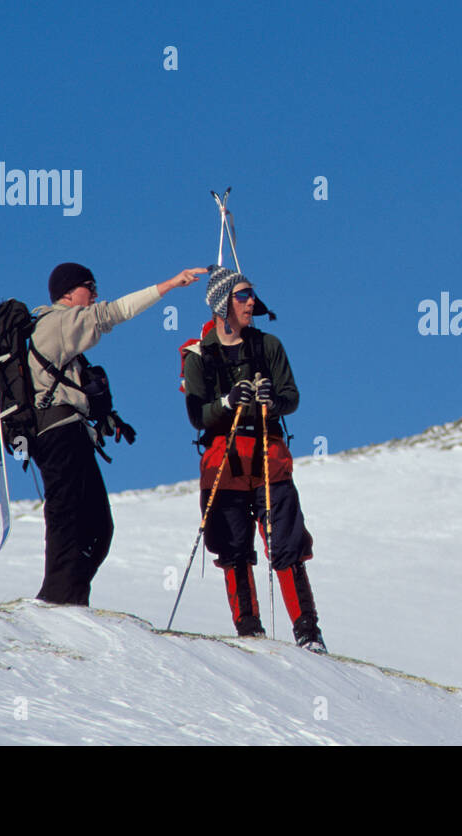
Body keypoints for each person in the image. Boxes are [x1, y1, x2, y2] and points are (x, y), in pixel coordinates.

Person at [29, 262, 208, 605]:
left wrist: (104, 416)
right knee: (71, 518)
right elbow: (116, 312)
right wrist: (169, 283)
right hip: (59, 434)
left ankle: (70, 597)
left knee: (95, 525)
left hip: (66, 433)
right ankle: (55, 599)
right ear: (68, 292)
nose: (95, 294)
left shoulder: (60, 331)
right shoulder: (61, 321)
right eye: (89, 287)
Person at [182, 267, 326, 651]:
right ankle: (249, 629)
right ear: (221, 303)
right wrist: (228, 402)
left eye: (251, 295)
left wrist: (271, 401)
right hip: (223, 458)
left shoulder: (268, 346)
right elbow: (197, 414)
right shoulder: (199, 355)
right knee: (232, 546)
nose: (252, 303)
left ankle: (308, 632)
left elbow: (291, 398)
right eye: (243, 296)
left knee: (286, 541)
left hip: (268, 451)